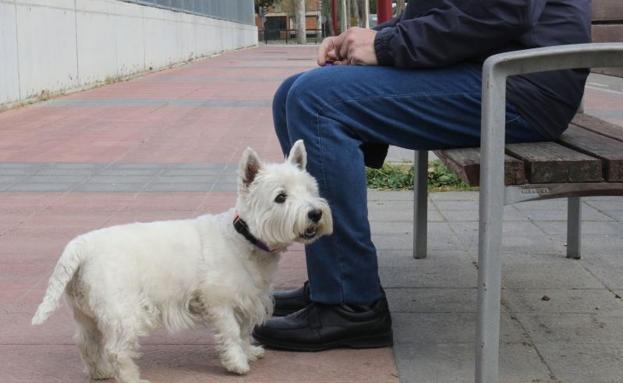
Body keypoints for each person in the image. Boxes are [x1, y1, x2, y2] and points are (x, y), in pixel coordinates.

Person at [252, 0, 591, 351]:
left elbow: (504, 10)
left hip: (522, 83)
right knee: (291, 93)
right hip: (492, 65)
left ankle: (350, 302)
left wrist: (384, 46)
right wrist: (360, 41)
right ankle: (334, 278)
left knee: (315, 100)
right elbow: (441, 10)